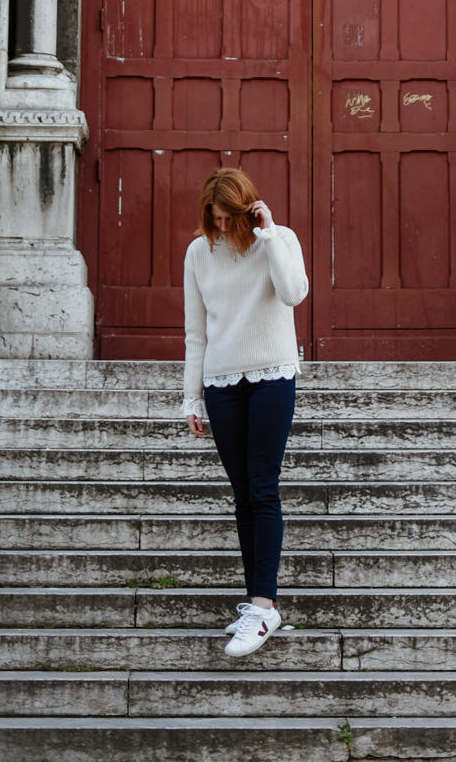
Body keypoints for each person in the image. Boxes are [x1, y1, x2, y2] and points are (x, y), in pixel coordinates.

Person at [182, 167, 309, 659]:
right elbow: (196, 332)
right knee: (242, 495)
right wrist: (192, 397)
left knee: (262, 487)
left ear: (245, 211)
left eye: (226, 219)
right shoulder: (198, 253)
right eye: (212, 220)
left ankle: (263, 604)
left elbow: (294, 292)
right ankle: (259, 605)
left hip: (273, 376)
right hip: (221, 384)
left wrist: (269, 232)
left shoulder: (278, 240)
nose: (219, 228)